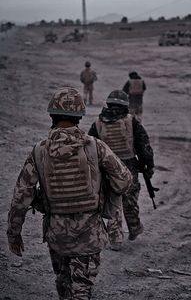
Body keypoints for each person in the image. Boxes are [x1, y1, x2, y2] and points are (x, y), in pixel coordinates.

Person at [7, 87, 132, 300]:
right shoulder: (96, 147)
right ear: (80, 116)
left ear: (51, 115)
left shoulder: (39, 151)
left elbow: (21, 196)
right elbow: (124, 181)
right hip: (89, 233)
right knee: (81, 288)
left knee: (64, 283)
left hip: (57, 234)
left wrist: (14, 233)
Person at [88, 90, 154, 251]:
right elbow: (144, 146)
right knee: (130, 199)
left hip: (106, 168)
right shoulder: (132, 122)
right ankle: (134, 226)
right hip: (129, 166)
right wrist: (148, 166)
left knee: (112, 200)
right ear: (126, 105)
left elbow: (90, 149)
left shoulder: (98, 123)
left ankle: (115, 237)